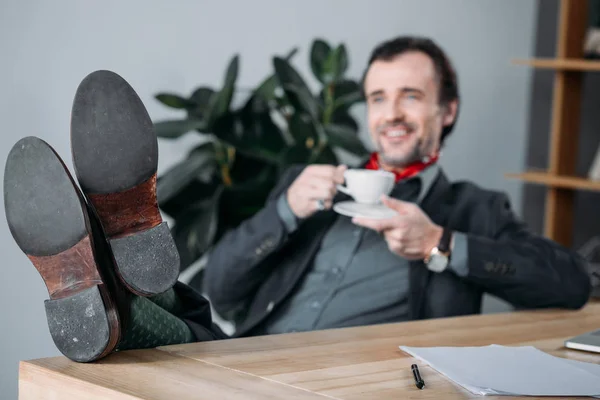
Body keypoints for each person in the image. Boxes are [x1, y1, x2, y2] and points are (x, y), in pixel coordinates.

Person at [202, 35, 592, 338]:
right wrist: (284, 211)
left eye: (411, 96)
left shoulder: (476, 208)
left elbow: (572, 284)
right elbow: (219, 290)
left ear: (448, 110)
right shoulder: (307, 186)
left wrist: (440, 242)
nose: (392, 115)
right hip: (249, 362)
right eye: (378, 98)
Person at [4, 70, 226, 363]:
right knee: (195, 339)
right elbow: (231, 281)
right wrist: (286, 211)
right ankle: (113, 264)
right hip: (240, 347)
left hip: (227, 352)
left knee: (184, 335)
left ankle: (102, 273)